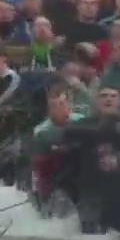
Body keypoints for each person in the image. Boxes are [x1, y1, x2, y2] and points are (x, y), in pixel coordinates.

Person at [63, 88, 120, 235]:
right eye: (103, 96)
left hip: (119, 189)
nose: (108, 99)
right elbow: (67, 139)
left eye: (113, 96)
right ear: (96, 101)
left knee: (119, 235)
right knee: (88, 235)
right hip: (89, 188)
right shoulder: (82, 124)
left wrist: (119, 158)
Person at [31, 86, 84, 216]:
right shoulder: (41, 131)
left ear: (69, 105)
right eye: (53, 105)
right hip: (55, 175)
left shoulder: (83, 122)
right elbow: (38, 165)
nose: (58, 109)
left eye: (62, 104)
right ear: (48, 109)